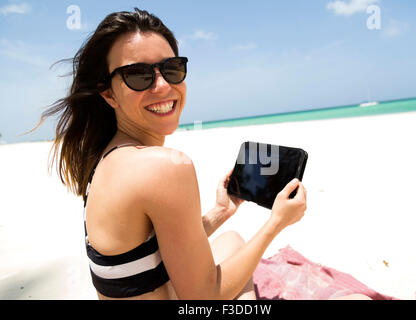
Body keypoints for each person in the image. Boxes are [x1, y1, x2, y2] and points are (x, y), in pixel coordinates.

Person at [35, 8, 307, 300]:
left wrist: (221, 212)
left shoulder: (104, 158)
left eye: (172, 68)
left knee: (231, 240)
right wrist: (275, 223)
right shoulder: (166, 167)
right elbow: (204, 299)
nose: (163, 85)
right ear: (108, 94)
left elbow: (148, 254)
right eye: (138, 75)